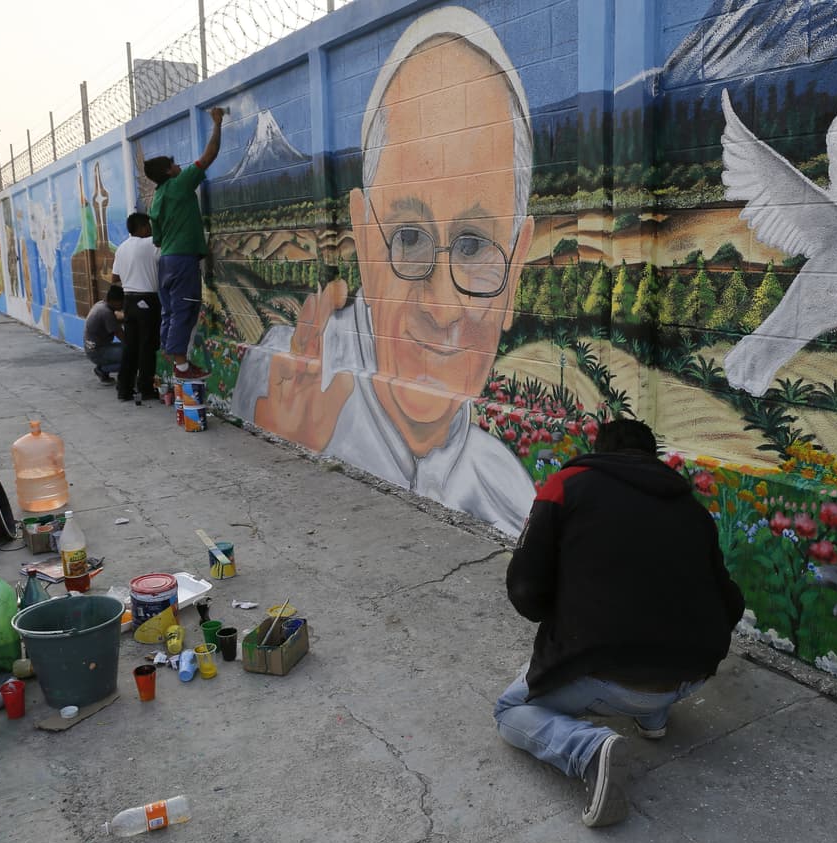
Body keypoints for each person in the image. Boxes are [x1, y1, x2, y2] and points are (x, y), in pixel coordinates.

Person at [231, 7, 537, 536]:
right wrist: (279, 455)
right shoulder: (281, 385)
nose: (441, 308)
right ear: (365, 240)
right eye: (410, 238)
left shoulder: (511, 500)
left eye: (473, 246)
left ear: (514, 274)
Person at [493, 419, 745, 828]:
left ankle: (587, 750)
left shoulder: (566, 484)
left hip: (605, 672)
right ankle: (653, 717)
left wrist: (561, 622)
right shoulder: (693, 509)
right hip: (690, 674)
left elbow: (524, 587)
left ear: (600, 449)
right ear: (652, 457)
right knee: (648, 630)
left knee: (509, 710)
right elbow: (730, 602)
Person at [145, 105, 225, 381]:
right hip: (181, 261)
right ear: (169, 171)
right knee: (185, 308)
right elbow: (209, 155)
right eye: (174, 163)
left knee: (170, 311)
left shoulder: (157, 199)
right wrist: (217, 124)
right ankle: (181, 366)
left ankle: (170, 355)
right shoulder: (179, 184)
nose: (179, 165)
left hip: (166, 260)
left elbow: (156, 237)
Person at [112, 213, 161, 402]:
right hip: (147, 300)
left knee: (130, 346)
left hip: (129, 301)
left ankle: (124, 389)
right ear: (141, 227)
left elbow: (114, 278)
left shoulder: (121, 248)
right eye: (148, 226)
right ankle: (146, 389)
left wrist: (131, 272)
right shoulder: (151, 244)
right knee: (148, 346)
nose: (150, 229)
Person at [84, 284, 125, 384]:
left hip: (92, 348)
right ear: (115, 301)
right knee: (132, 355)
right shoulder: (106, 313)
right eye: (122, 303)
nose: (123, 305)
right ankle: (103, 369)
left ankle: (102, 367)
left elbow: (117, 318)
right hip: (98, 351)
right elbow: (122, 337)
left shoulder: (100, 304)